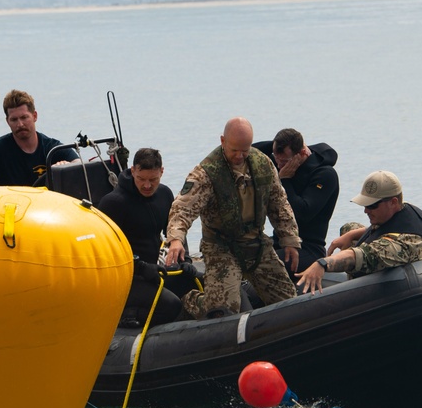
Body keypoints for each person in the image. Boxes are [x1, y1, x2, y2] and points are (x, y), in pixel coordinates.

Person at [164, 117, 301, 318]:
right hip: (222, 247)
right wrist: (176, 239)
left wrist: (289, 239)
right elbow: (183, 207)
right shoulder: (207, 173)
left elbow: (279, 203)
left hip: (256, 243)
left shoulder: (262, 164)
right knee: (223, 310)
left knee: (288, 300)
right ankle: (193, 300)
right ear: (223, 141)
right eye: (234, 150)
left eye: (244, 150)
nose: (239, 156)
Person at [296, 170, 422, 294]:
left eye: (372, 205)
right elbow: (380, 230)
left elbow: (364, 255)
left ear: (393, 202)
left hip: (400, 291)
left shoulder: (403, 244)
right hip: (386, 269)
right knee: (349, 227)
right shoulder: (402, 213)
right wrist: (350, 234)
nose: (366, 210)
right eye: (365, 205)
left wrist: (323, 263)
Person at [96, 148, 184, 327]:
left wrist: (184, 259)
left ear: (162, 172)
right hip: (125, 277)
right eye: (141, 179)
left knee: (193, 282)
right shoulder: (113, 203)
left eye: (153, 180)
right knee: (171, 306)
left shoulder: (164, 194)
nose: (147, 186)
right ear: (133, 170)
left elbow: (173, 232)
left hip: (152, 272)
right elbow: (105, 252)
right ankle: (126, 316)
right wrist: (141, 267)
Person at [253, 128, 339, 274]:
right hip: (280, 242)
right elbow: (249, 151)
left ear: (302, 153)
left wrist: (285, 180)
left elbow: (301, 213)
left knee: (260, 266)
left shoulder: (325, 174)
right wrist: (275, 146)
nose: (279, 165)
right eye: (276, 158)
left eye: (284, 161)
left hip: (308, 248)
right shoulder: (281, 160)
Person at [0, 89, 77, 190]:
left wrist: (66, 168)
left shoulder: (52, 148)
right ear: (7, 121)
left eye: (24, 117)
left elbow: (81, 168)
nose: (20, 124)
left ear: (35, 116)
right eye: (14, 119)